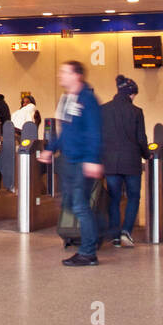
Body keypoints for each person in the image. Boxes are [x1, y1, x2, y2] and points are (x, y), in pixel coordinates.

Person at [40, 60, 103, 267]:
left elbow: (94, 132)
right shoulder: (67, 99)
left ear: (77, 76)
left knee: (79, 205)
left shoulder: (88, 100)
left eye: (65, 72)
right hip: (67, 159)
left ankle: (88, 252)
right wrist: (51, 148)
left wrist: (93, 160)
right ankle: (97, 234)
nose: (61, 76)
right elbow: (64, 130)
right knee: (69, 203)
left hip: (82, 161)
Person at [101, 74, 148, 248]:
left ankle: (114, 235)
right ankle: (126, 232)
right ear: (131, 93)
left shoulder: (103, 110)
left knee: (114, 198)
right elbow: (141, 138)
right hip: (131, 162)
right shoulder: (136, 112)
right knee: (133, 196)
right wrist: (147, 154)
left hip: (110, 162)